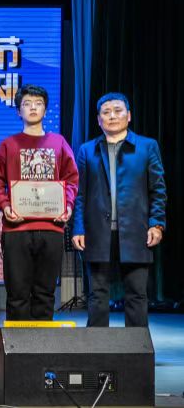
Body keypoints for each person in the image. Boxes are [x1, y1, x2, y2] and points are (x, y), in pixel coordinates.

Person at [71, 92, 166, 327]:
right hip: (97, 232)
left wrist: (156, 223)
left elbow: (158, 189)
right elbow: (80, 194)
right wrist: (78, 228)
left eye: (117, 110)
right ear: (98, 119)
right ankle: (97, 345)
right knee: (97, 295)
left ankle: (136, 345)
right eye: (106, 112)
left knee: (136, 294)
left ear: (129, 115)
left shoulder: (147, 146)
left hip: (136, 231)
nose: (112, 116)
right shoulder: (87, 150)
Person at [0, 84, 79, 321]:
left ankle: (42, 343)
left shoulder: (59, 142)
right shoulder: (8, 145)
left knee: (45, 293)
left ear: (45, 110)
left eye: (38, 104)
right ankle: (17, 344)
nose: (33, 108)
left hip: (51, 227)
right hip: (16, 229)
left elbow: (71, 179)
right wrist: (5, 206)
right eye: (27, 104)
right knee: (17, 293)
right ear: (18, 111)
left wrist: (67, 206)